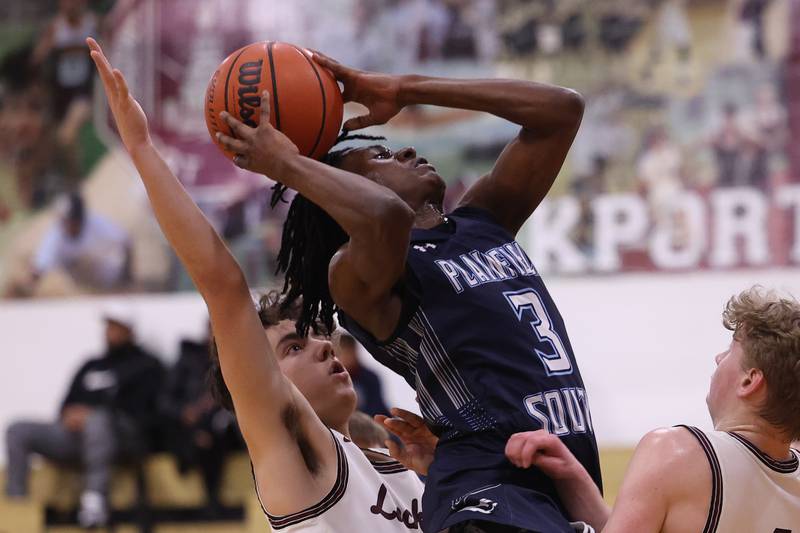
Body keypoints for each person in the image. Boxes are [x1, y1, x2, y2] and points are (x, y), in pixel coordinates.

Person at [218, 48, 601, 532]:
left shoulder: (482, 220)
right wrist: (289, 166)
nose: (401, 151)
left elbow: (561, 112)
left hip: (558, 481)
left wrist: (405, 88)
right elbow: (385, 216)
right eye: (377, 157)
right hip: (485, 494)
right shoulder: (356, 279)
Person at [87, 38, 426, 532]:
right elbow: (223, 285)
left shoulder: (391, 458)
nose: (323, 350)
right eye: (292, 348)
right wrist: (140, 148)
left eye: (314, 338)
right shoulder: (292, 450)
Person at [501, 287, 800, 532]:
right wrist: (573, 478)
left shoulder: (676, 451)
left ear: (750, 381)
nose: (718, 357)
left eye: (732, 348)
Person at [4, 303, 164, 528]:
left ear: (130, 330)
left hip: (122, 439)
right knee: (18, 429)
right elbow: (66, 404)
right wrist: (70, 416)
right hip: (78, 437)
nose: (109, 331)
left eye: (116, 326)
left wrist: (96, 414)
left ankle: (94, 502)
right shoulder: (91, 364)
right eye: (108, 326)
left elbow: (146, 413)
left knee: (98, 421)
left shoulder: (147, 365)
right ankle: (16, 502)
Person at [157, 331, 241, 516]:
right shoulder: (188, 361)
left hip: (222, 425)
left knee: (216, 427)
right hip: (188, 427)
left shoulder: (240, 357)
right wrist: (184, 412)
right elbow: (165, 401)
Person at [11, 192, 132, 296]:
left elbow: (126, 242)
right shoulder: (57, 234)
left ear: (79, 218)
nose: (65, 224)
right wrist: (26, 287)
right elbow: (41, 265)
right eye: (63, 220)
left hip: (109, 281)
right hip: (82, 288)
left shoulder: (96, 223)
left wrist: (126, 278)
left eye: (68, 220)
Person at [337, 332, 390, 417]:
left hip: (371, 421)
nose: (347, 358)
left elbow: (377, 407)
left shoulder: (370, 377)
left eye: (349, 352)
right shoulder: (333, 379)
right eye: (342, 354)